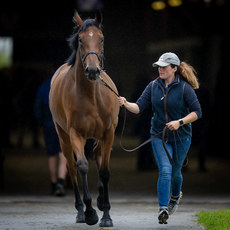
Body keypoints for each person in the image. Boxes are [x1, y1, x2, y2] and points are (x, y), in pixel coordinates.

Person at [118, 52, 202, 224]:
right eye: (159, 67)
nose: (160, 69)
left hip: (182, 136)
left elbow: (197, 112)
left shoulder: (185, 88)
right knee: (165, 170)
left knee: (176, 173)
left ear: (174, 68)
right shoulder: (153, 86)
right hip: (158, 135)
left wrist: (180, 122)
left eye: (164, 67)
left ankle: (175, 197)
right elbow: (139, 107)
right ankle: (163, 208)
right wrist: (126, 103)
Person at [34, 78, 67, 196]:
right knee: (63, 153)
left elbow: (37, 106)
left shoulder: (45, 86)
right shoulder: (68, 84)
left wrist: (41, 121)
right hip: (64, 124)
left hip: (48, 123)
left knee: (51, 154)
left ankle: (53, 184)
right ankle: (60, 183)